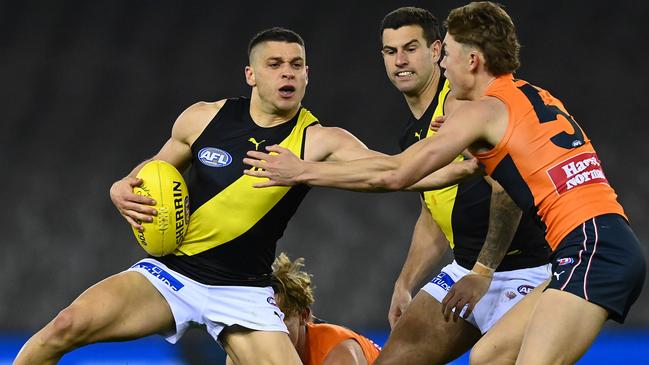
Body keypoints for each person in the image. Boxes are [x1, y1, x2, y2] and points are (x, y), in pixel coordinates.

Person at [13, 27, 472, 365]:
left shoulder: (319, 140)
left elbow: (394, 172)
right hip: (173, 274)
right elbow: (148, 174)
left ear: (308, 75)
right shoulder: (201, 119)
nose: (287, 73)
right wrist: (119, 187)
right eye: (275, 65)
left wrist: (463, 164)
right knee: (64, 327)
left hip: (243, 293)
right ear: (251, 74)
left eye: (296, 65)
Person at [242, 3, 647, 364]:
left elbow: (396, 174)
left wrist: (302, 171)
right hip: (593, 244)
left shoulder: (479, 110)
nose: (444, 67)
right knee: (487, 356)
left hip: (588, 248)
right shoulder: (529, 95)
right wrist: (406, 280)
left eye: (447, 55)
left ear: (471, 60)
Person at [375, 7, 551, 364]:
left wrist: (482, 271)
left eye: (410, 48)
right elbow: (433, 212)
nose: (400, 61)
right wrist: (405, 283)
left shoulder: (462, 100)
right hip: (465, 269)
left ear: (437, 50)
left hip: (525, 270)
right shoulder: (413, 133)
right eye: (390, 52)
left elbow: (507, 189)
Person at [227, 253, 381, 365]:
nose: (274, 329)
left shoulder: (338, 354)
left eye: (283, 318)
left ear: (303, 315)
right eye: (266, 321)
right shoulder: (245, 350)